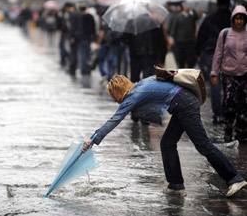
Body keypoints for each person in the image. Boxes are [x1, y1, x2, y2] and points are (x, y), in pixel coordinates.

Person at [82, 75, 247, 197]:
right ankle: (175, 185)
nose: (114, 100)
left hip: (185, 104)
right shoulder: (140, 85)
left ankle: (234, 178)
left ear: (118, 91)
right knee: (167, 143)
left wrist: (94, 139)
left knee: (203, 144)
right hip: (182, 103)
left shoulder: (133, 95)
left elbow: (114, 120)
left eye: (113, 95)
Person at [211, 5, 247, 144]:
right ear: (233, 19)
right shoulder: (225, 33)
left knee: (244, 104)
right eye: (237, 18)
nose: (239, 21)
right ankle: (228, 128)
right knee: (229, 102)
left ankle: (242, 131)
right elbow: (218, 54)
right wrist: (214, 72)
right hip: (229, 75)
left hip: (245, 75)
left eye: (241, 19)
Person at [195, 0, 231, 124]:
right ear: (229, 4)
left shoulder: (210, 19)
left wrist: (198, 52)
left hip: (212, 53)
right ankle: (230, 112)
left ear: (217, 4)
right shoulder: (235, 19)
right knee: (230, 83)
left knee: (215, 83)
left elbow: (201, 36)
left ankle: (218, 114)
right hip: (230, 54)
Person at [169, 2, 199, 69]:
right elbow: (174, 28)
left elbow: (197, 22)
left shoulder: (193, 16)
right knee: (181, 59)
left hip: (190, 41)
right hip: (180, 41)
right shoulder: (178, 17)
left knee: (190, 59)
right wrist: (171, 38)